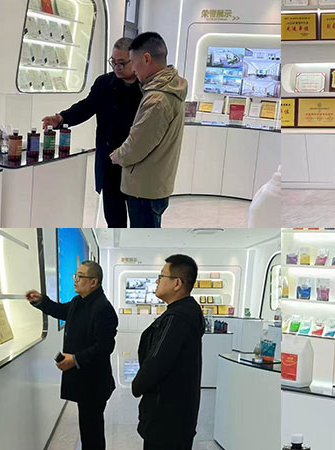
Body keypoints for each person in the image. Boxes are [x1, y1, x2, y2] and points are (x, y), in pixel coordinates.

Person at [42, 37, 142, 228]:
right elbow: (86, 107)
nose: (117, 67)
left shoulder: (147, 88)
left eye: (122, 63)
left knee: (140, 224)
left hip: (137, 166)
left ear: (135, 60)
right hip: (110, 164)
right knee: (114, 221)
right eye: (113, 62)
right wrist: (62, 118)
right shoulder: (104, 83)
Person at [25, 261, 118, 450]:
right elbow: (60, 310)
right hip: (84, 380)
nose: (75, 280)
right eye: (76, 275)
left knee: (92, 432)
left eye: (80, 276)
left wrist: (75, 359)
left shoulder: (103, 309)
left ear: (94, 282)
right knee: (88, 428)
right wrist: (41, 301)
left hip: (94, 383)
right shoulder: (79, 302)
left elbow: (105, 347)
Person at [110, 32, 188, 228]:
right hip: (154, 184)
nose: (133, 69)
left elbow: (138, 144)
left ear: (146, 59)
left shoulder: (157, 100)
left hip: (144, 188)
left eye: (133, 62)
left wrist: (118, 155)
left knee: (143, 234)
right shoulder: (169, 88)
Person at [132, 254, 205, 450]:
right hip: (178, 416)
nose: (157, 281)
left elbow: (157, 361)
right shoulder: (186, 312)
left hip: (166, 418)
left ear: (177, 283)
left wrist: (137, 385)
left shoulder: (177, 318)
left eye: (162, 276)